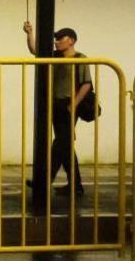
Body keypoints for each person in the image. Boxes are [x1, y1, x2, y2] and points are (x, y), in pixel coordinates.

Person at [23, 22, 92, 195]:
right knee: (63, 145)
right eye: (56, 38)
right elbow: (34, 50)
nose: (56, 41)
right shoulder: (55, 56)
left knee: (62, 144)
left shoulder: (80, 58)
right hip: (56, 104)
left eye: (61, 38)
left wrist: (73, 105)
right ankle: (72, 186)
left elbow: (86, 84)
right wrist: (29, 33)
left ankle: (47, 183)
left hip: (68, 105)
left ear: (72, 41)